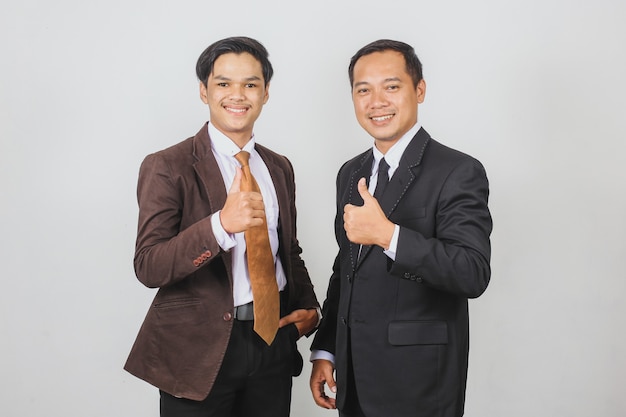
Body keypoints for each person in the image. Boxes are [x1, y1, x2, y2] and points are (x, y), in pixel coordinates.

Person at [124, 36, 320, 417]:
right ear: (204, 91)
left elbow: (287, 248)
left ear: (265, 93)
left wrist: (309, 307)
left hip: (271, 342)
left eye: (250, 84)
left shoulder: (278, 166)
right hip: (199, 352)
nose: (238, 95)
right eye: (223, 83)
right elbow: (148, 265)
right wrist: (220, 226)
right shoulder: (167, 165)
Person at [309, 39, 492, 417]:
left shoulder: (458, 171)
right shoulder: (351, 171)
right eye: (364, 90)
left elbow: (471, 273)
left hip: (420, 383)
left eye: (391, 87)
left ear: (419, 90)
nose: (376, 101)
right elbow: (346, 268)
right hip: (353, 378)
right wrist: (325, 349)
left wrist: (388, 235)